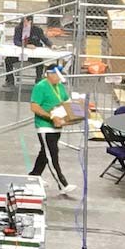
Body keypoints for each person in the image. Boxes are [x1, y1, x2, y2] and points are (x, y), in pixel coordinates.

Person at [29, 62, 75, 196]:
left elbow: (67, 101)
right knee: (52, 155)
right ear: (49, 74)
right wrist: (51, 117)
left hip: (57, 126)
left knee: (45, 153)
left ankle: (34, 175)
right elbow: (35, 107)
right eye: (57, 75)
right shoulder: (41, 87)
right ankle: (62, 184)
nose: (59, 78)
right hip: (45, 126)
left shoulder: (59, 86)